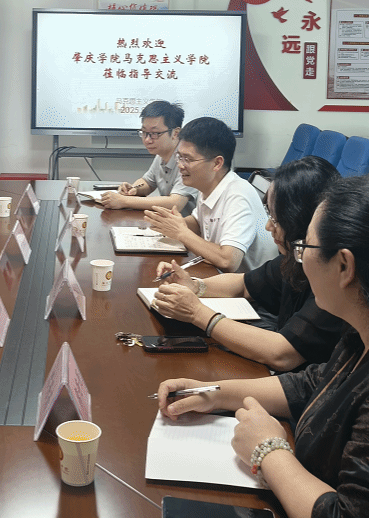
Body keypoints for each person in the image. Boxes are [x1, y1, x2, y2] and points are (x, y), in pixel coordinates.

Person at [158, 174, 369, 518]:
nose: (299, 258)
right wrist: (214, 393)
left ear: (344, 265)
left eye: (305, 247)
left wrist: (268, 451)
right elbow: (314, 383)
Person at [150, 156, 345, 371]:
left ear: (304, 220)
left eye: (277, 219)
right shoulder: (295, 257)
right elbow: (244, 284)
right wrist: (195, 286)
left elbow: (283, 354)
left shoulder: (334, 278)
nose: (269, 226)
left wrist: (197, 313)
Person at [144, 117, 274, 271]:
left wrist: (181, 232)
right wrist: (171, 223)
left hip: (248, 284)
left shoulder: (238, 196)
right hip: (218, 275)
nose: (180, 165)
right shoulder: (207, 185)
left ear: (217, 163)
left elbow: (228, 261)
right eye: (179, 157)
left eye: (188, 159)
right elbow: (199, 222)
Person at [99, 100, 198, 214]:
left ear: (175, 133)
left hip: (189, 224)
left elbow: (175, 203)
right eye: (144, 132)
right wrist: (133, 189)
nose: (147, 140)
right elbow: (148, 182)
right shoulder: (161, 154)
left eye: (155, 134)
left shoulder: (188, 159)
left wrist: (123, 201)